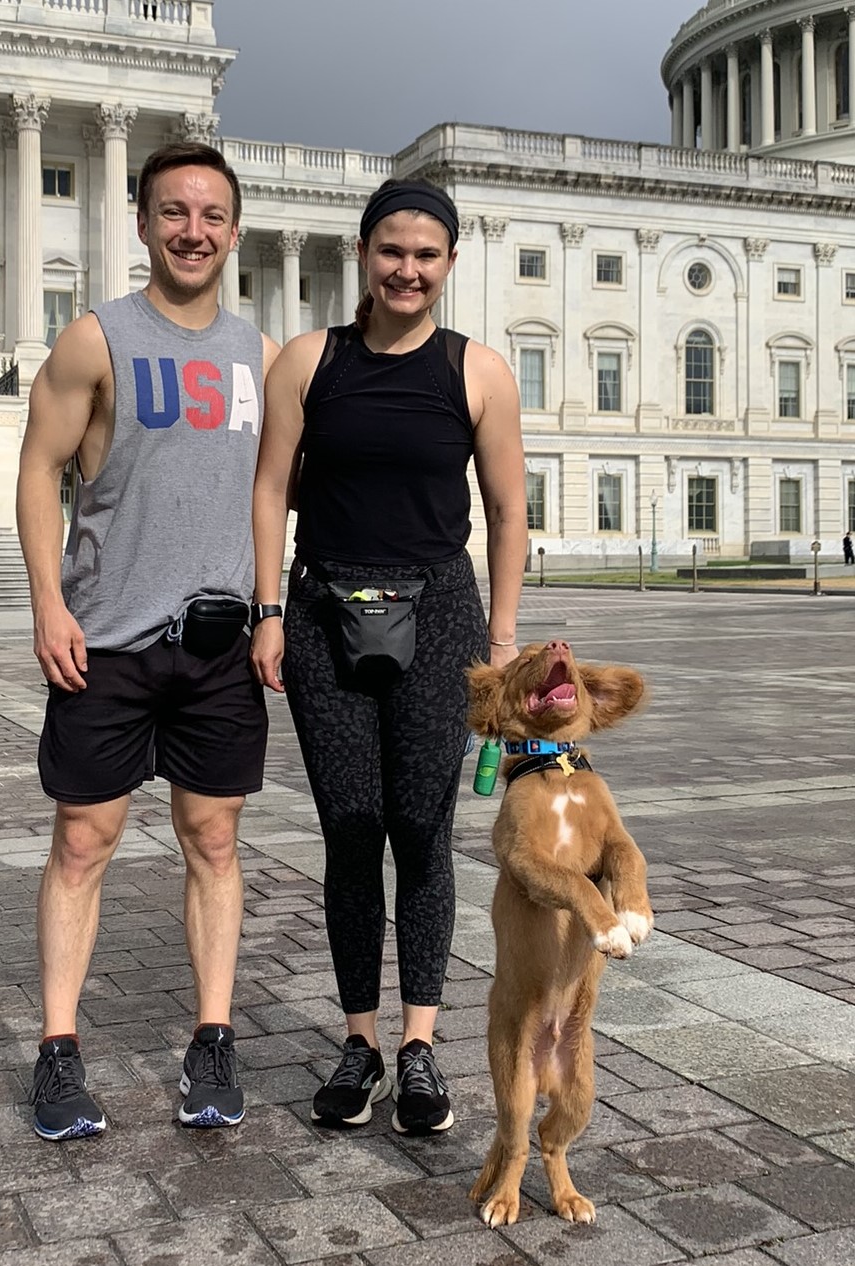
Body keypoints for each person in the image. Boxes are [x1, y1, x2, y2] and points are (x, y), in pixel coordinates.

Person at [250, 179, 527, 1135]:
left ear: (449, 264)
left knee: (421, 828)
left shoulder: (478, 373)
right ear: (364, 254)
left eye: (428, 254)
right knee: (350, 829)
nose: (408, 270)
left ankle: (419, 1046)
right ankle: (359, 1041)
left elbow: (505, 514)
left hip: (440, 613)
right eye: (392, 251)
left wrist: (500, 645)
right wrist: (270, 610)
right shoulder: (307, 360)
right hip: (327, 607)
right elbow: (268, 487)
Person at [16, 140, 278, 1139]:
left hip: (216, 648)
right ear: (142, 224)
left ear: (236, 231)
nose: (193, 231)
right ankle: (57, 1048)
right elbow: (39, 469)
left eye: (211, 215)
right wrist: (48, 602)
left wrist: (270, 608)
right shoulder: (96, 341)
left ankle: (213, 1039)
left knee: (214, 839)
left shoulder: (259, 357)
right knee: (84, 841)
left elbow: (271, 494)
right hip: (108, 640)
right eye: (174, 212)